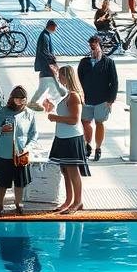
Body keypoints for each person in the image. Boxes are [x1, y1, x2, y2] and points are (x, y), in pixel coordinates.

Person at [42, 65, 90, 215]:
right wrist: (50, 107)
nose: (59, 79)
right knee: (65, 171)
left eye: (60, 76)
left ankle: (78, 201)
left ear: (66, 77)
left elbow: (75, 119)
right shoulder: (66, 94)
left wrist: (55, 118)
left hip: (72, 138)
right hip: (62, 137)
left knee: (73, 171)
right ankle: (68, 200)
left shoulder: (74, 96)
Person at [0, 85, 37, 216]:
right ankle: (0, 205)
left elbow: (34, 134)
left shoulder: (29, 114)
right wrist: (2, 129)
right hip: (3, 154)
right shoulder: (2, 111)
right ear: (12, 98)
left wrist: (27, 148)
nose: (20, 101)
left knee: (20, 182)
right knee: (2, 182)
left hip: (21, 154)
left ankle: (18, 204)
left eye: (23, 99)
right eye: (17, 99)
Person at [77, 35, 118, 162]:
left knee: (99, 122)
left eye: (95, 46)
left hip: (102, 99)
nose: (93, 49)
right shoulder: (84, 62)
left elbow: (114, 82)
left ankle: (98, 147)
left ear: (100, 46)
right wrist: (79, 95)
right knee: (85, 122)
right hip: (86, 99)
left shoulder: (108, 62)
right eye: (91, 47)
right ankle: (87, 145)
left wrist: (111, 99)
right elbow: (78, 80)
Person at [33, 19, 59, 105]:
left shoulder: (45, 35)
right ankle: (37, 102)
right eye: (55, 28)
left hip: (45, 65)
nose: (55, 30)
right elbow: (45, 52)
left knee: (45, 87)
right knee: (49, 85)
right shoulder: (45, 36)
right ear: (51, 26)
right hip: (46, 65)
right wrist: (53, 61)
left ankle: (40, 102)